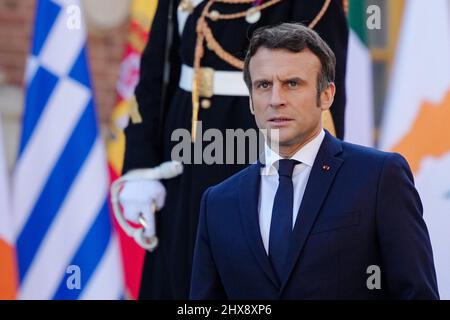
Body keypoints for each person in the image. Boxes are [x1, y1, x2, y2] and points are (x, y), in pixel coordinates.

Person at [190, 23, 439, 299]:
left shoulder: (380, 177)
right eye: (263, 85)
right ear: (251, 100)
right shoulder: (217, 202)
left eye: (292, 84)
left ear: (326, 95)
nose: (276, 100)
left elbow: (417, 293)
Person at [120, 0, 349, 299]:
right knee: (181, 277)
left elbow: (323, 90)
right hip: (185, 157)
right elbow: (155, 71)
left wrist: (319, 177)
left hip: (263, 154)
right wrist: (141, 166)